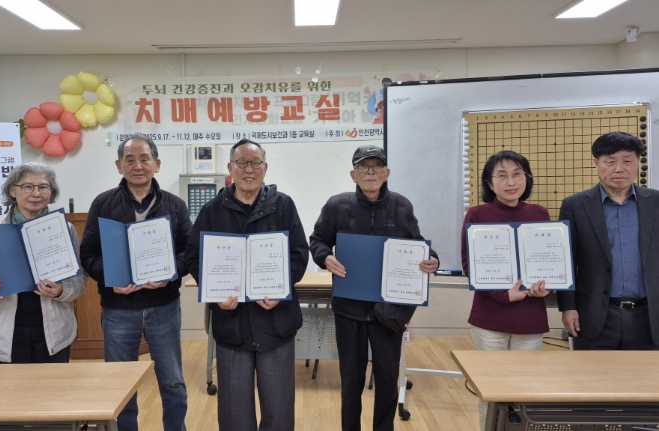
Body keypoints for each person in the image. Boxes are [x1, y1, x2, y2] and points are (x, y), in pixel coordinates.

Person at [309, 144, 439, 431]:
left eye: (377, 166)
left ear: (386, 173)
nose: (371, 172)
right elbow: (317, 240)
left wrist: (432, 259)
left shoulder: (401, 206)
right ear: (353, 174)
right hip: (349, 309)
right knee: (350, 381)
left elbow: (417, 245)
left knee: (388, 379)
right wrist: (325, 257)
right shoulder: (337, 206)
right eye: (363, 167)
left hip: (389, 311)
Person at [186, 138, 308, 431]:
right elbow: (194, 257)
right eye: (241, 163)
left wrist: (282, 288)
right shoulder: (213, 211)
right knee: (234, 414)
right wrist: (214, 293)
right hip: (232, 325)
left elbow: (299, 254)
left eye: (255, 163)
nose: (248, 169)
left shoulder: (283, 206)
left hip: (276, 323)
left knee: (278, 412)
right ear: (230, 168)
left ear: (265, 167)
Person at [80, 136, 191, 431]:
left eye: (144, 159)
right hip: (118, 308)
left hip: (164, 307)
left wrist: (171, 274)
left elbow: (189, 253)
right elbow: (88, 255)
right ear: (119, 166)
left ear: (157, 164)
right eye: (129, 160)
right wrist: (111, 279)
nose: (137, 166)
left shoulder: (175, 205)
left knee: (172, 381)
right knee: (120, 383)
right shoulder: (103, 203)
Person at [0, 162, 87, 363]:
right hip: (2, 335)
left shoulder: (66, 229)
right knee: (6, 385)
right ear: (12, 191)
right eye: (27, 187)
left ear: (51, 192)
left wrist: (61, 290)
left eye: (43, 187)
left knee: (50, 384)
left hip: (53, 334)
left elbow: (79, 281)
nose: (36, 193)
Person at [460, 151, 550, 430]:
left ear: (527, 178)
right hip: (490, 315)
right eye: (501, 175)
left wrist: (546, 287)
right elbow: (470, 264)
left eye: (517, 174)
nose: (510, 182)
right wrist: (503, 295)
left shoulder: (540, 214)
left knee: (526, 388)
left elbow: (548, 261)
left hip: (530, 315)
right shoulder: (477, 214)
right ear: (489, 183)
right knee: (490, 387)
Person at [558, 131, 659, 350]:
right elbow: (566, 262)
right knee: (592, 372)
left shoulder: (656, 202)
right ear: (596, 163)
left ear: (638, 162)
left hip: (649, 316)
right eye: (610, 162)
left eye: (627, 161)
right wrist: (568, 307)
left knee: (645, 373)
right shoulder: (575, 206)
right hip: (594, 315)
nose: (619, 169)